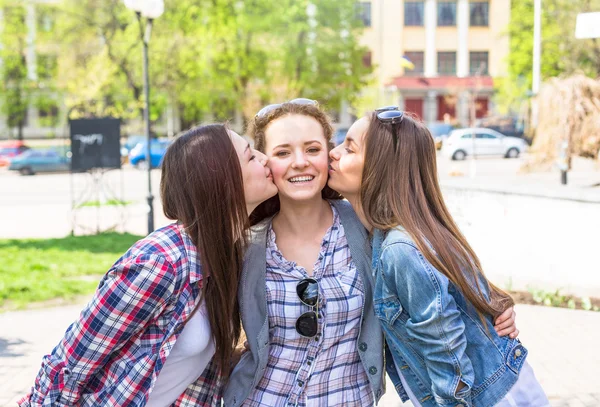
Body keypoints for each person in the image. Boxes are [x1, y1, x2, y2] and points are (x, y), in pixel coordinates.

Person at [224, 100, 519, 407]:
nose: (300, 162)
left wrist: (490, 304)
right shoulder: (246, 246)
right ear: (264, 162)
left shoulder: (371, 233)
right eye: (283, 152)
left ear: (328, 153)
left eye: (313, 149)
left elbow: (432, 268)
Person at [18, 124, 277, 407]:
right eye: (251, 156)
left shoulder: (226, 258)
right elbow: (70, 365)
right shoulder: (159, 263)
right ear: (221, 180)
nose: (265, 159)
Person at [328, 108, 549, 407]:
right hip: (500, 388)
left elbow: (446, 354)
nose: (334, 153)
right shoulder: (403, 233)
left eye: (349, 148)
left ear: (380, 168)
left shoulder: (400, 249)